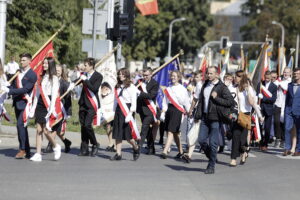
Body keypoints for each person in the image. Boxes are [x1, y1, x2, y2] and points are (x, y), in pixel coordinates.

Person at [194, 66, 235, 174]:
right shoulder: (205, 85)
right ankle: (212, 157)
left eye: (211, 73)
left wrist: (216, 98)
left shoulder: (221, 87)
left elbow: (231, 102)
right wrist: (197, 115)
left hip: (216, 118)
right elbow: (201, 102)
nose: (209, 75)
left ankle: (211, 166)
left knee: (213, 143)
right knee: (201, 140)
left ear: (217, 74)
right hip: (205, 117)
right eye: (207, 73)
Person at [1, 53, 37, 159]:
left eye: (24, 60)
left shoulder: (32, 75)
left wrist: (10, 90)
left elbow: (25, 89)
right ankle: (27, 150)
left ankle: (22, 150)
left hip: (26, 103)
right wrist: (8, 86)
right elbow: (14, 85)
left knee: (20, 125)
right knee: (22, 127)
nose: (22, 62)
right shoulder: (19, 73)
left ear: (30, 61)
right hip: (17, 102)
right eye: (21, 60)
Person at [30, 57, 62, 162]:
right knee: (38, 129)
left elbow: (54, 95)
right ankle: (38, 153)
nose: (44, 65)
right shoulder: (41, 76)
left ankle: (56, 146)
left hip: (48, 104)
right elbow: (38, 93)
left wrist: (51, 109)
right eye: (43, 63)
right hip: (40, 103)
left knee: (46, 130)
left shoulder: (54, 78)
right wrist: (33, 107)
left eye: (46, 64)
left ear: (51, 65)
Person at [229, 70, 262, 166]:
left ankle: (244, 151)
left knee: (242, 140)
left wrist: (259, 115)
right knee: (235, 136)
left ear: (241, 78)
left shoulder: (249, 88)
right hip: (236, 114)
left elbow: (252, 103)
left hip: (246, 115)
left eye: (237, 77)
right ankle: (233, 159)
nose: (235, 78)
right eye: (235, 76)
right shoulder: (233, 88)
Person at [160, 70, 191, 160]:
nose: (173, 77)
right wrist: (163, 112)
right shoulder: (168, 88)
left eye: (175, 76)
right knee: (175, 133)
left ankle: (165, 151)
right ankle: (181, 152)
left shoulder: (182, 89)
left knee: (170, 131)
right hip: (169, 110)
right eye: (172, 76)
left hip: (177, 111)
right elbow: (165, 101)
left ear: (179, 77)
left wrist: (189, 111)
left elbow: (185, 102)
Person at [111, 68, 140, 161]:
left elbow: (134, 102)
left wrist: (130, 114)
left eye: (122, 74)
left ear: (126, 75)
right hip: (119, 110)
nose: (120, 76)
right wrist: (113, 110)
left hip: (128, 110)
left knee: (128, 136)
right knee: (117, 133)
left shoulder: (131, 87)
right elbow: (116, 100)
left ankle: (135, 147)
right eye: (119, 74)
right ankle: (118, 154)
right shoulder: (117, 86)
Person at [44, 64, 72, 153]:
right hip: (50, 107)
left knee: (54, 127)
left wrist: (69, 112)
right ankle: (66, 142)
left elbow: (68, 99)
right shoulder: (50, 81)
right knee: (59, 132)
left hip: (61, 109)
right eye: (56, 70)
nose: (57, 72)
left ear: (62, 72)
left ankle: (50, 145)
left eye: (59, 71)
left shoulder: (65, 83)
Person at [77, 58, 103, 157]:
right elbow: (76, 82)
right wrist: (71, 84)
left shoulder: (98, 76)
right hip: (83, 103)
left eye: (86, 65)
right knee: (83, 127)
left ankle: (95, 143)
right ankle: (84, 149)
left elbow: (94, 88)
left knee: (88, 125)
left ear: (91, 66)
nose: (84, 67)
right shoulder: (84, 75)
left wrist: (86, 80)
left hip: (92, 104)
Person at [137, 68, 159, 154]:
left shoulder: (155, 84)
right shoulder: (140, 82)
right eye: (144, 75)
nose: (145, 77)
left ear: (151, 75)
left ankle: (138, 146)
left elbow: (151, 96)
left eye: (146, 75)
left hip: (150, 110)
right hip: (142, 109)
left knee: (144, 128)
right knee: (148, 130)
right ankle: (151, 147)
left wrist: (140, 93)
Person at [257, 71, 277, 151]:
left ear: (271, 78)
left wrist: (264, 98)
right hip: (260, 108)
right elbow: (256, 94)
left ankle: (265, 143)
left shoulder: (274, 86)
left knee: (267, 128)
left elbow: (273, 99)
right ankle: (261, 142)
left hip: (269, 109)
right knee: (259, 126)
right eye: (266, 77)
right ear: (264, 76)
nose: (267, 78)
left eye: (269, 77)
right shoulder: (260, 84)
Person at [283, 68, 300, 156]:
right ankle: (287, 148)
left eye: (298, 73)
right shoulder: (290, 85)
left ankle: (298, 149)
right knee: (287, 128)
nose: (296, 75)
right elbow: (287, 99)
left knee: (299, 131)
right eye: (295, 73)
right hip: (289, 110)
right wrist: (285, 109)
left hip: (299, 111)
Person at [273, 68, 292, 148]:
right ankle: (278, 138)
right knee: (277, 122)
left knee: (285, 123)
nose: (285, 74)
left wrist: (281, 84)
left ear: (290, 73)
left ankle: (283, 140)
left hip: (286, 104)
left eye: (287, 72)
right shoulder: (279, 81)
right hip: (278, 103)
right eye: (284, 72)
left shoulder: (291, 82)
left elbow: (288, 89)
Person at [99, 82, 116, 152]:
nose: (105, 90)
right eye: (104, 88)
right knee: (108, 127)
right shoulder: (100, 95)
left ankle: (115, 145)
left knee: (115, 128)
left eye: (107, 89)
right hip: (105, 115)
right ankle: (111, 143)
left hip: (113, 114)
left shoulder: (113, 95)